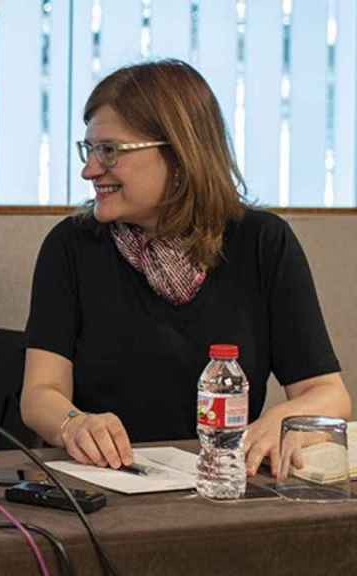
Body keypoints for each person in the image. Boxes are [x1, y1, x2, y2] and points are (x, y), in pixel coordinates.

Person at [20, 59, 350, 477]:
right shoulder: (71, 245)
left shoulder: (263, 242)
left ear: (179, 153)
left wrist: (281, 418)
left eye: (110, 151)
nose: (89, 169)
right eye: (89, 149)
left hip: (225, 486)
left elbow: (328, 393)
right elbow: (39, 394)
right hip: (107, 487)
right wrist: (74, 423)